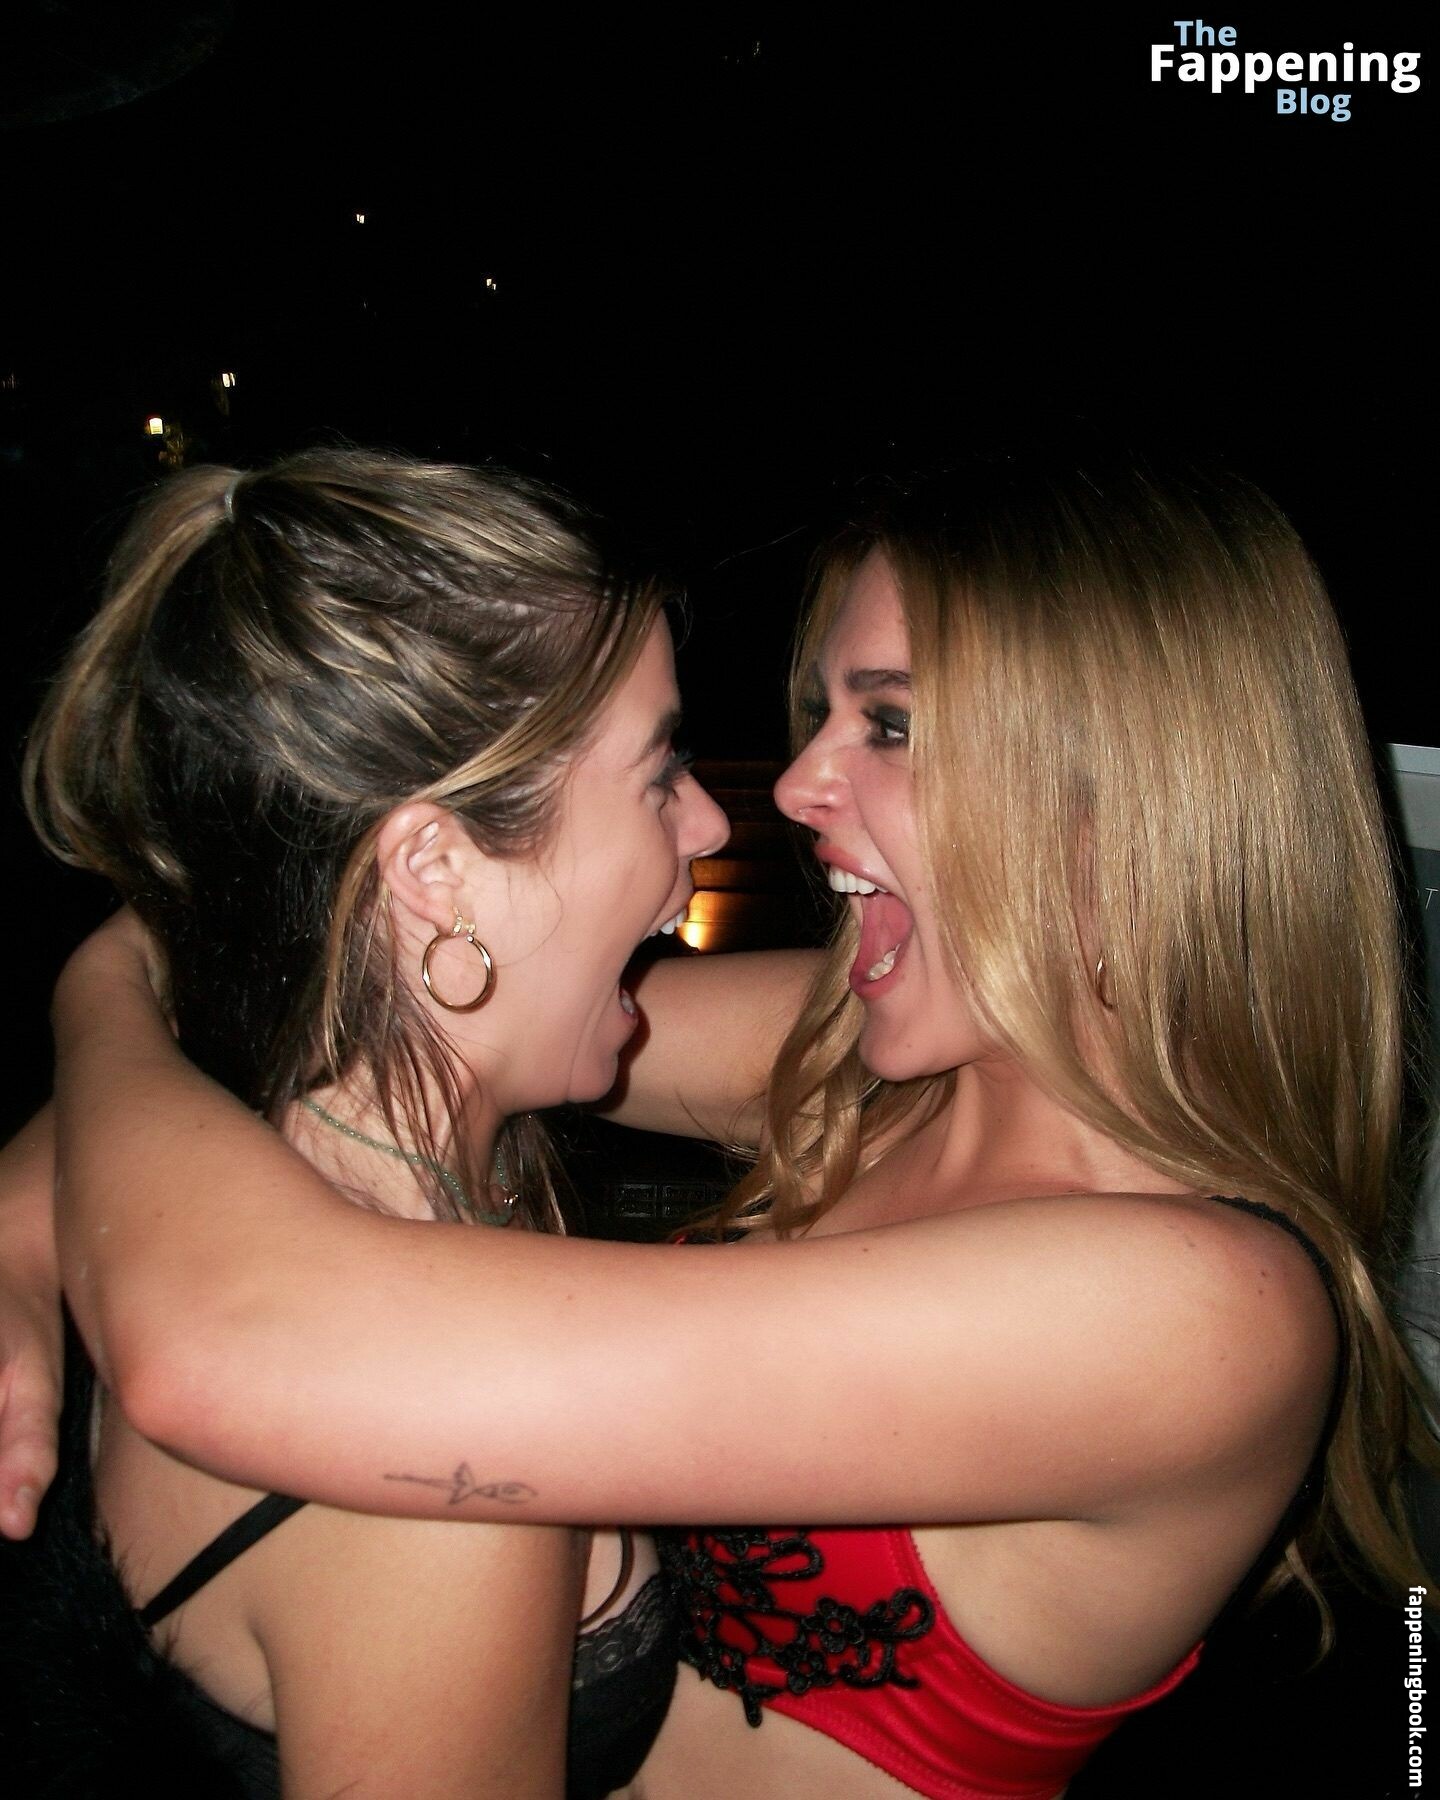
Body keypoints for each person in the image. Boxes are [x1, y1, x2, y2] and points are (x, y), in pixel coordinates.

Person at [3, 455, 1432, 1800]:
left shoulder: (1197, 1313)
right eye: (825, 713)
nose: (797, 785)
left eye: (889, 725)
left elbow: (228, 1350)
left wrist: (98, 986)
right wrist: (22, 1203)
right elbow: (382, 1010)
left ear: (1127, 792)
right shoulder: (877, 1061)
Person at [0, 448, 728, 1797]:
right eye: (656, 771)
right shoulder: (431, 1454)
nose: (709, 820)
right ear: (435, 870)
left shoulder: (237, 1155)